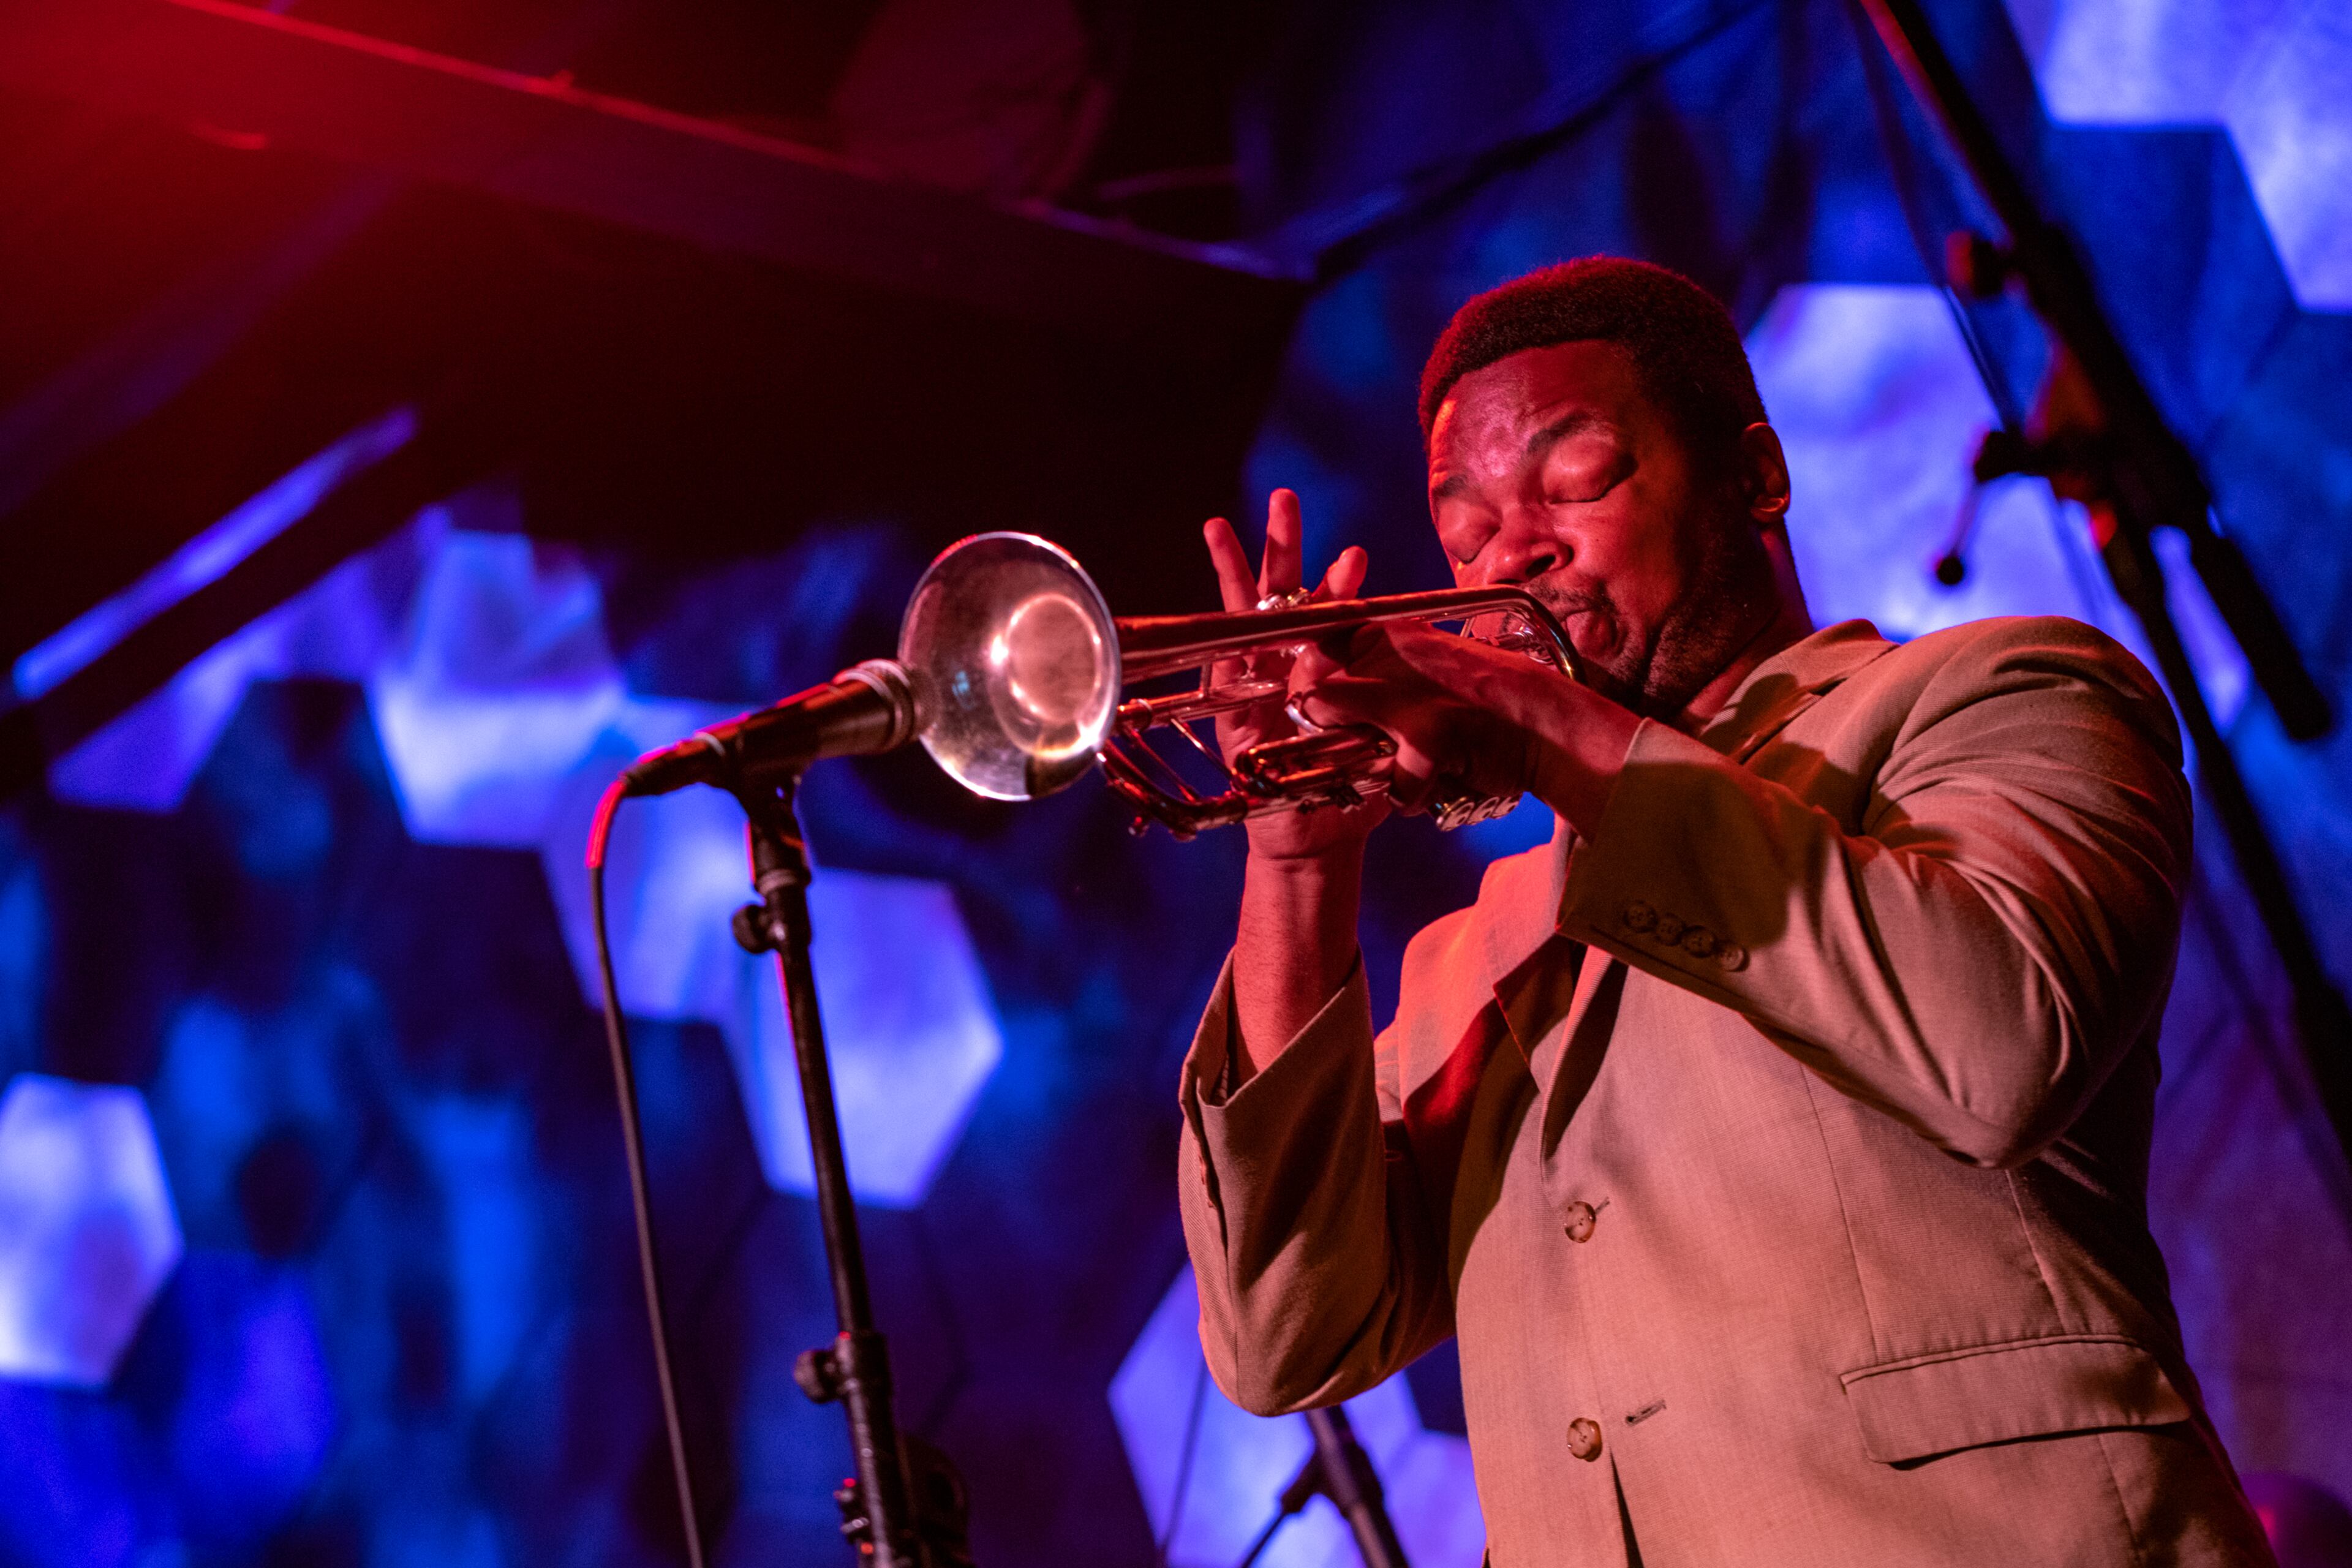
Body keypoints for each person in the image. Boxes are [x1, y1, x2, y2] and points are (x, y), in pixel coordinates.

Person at [1175, 257, 2275, 1566]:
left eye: (1575, 479)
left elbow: (1995, 1042)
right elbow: (1289, 1335)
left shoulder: (1993, 693)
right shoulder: (1470, 953)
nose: (1507, 553)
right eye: (1463, 528)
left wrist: (1532, 724)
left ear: (1755, 473)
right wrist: (1295, 861)